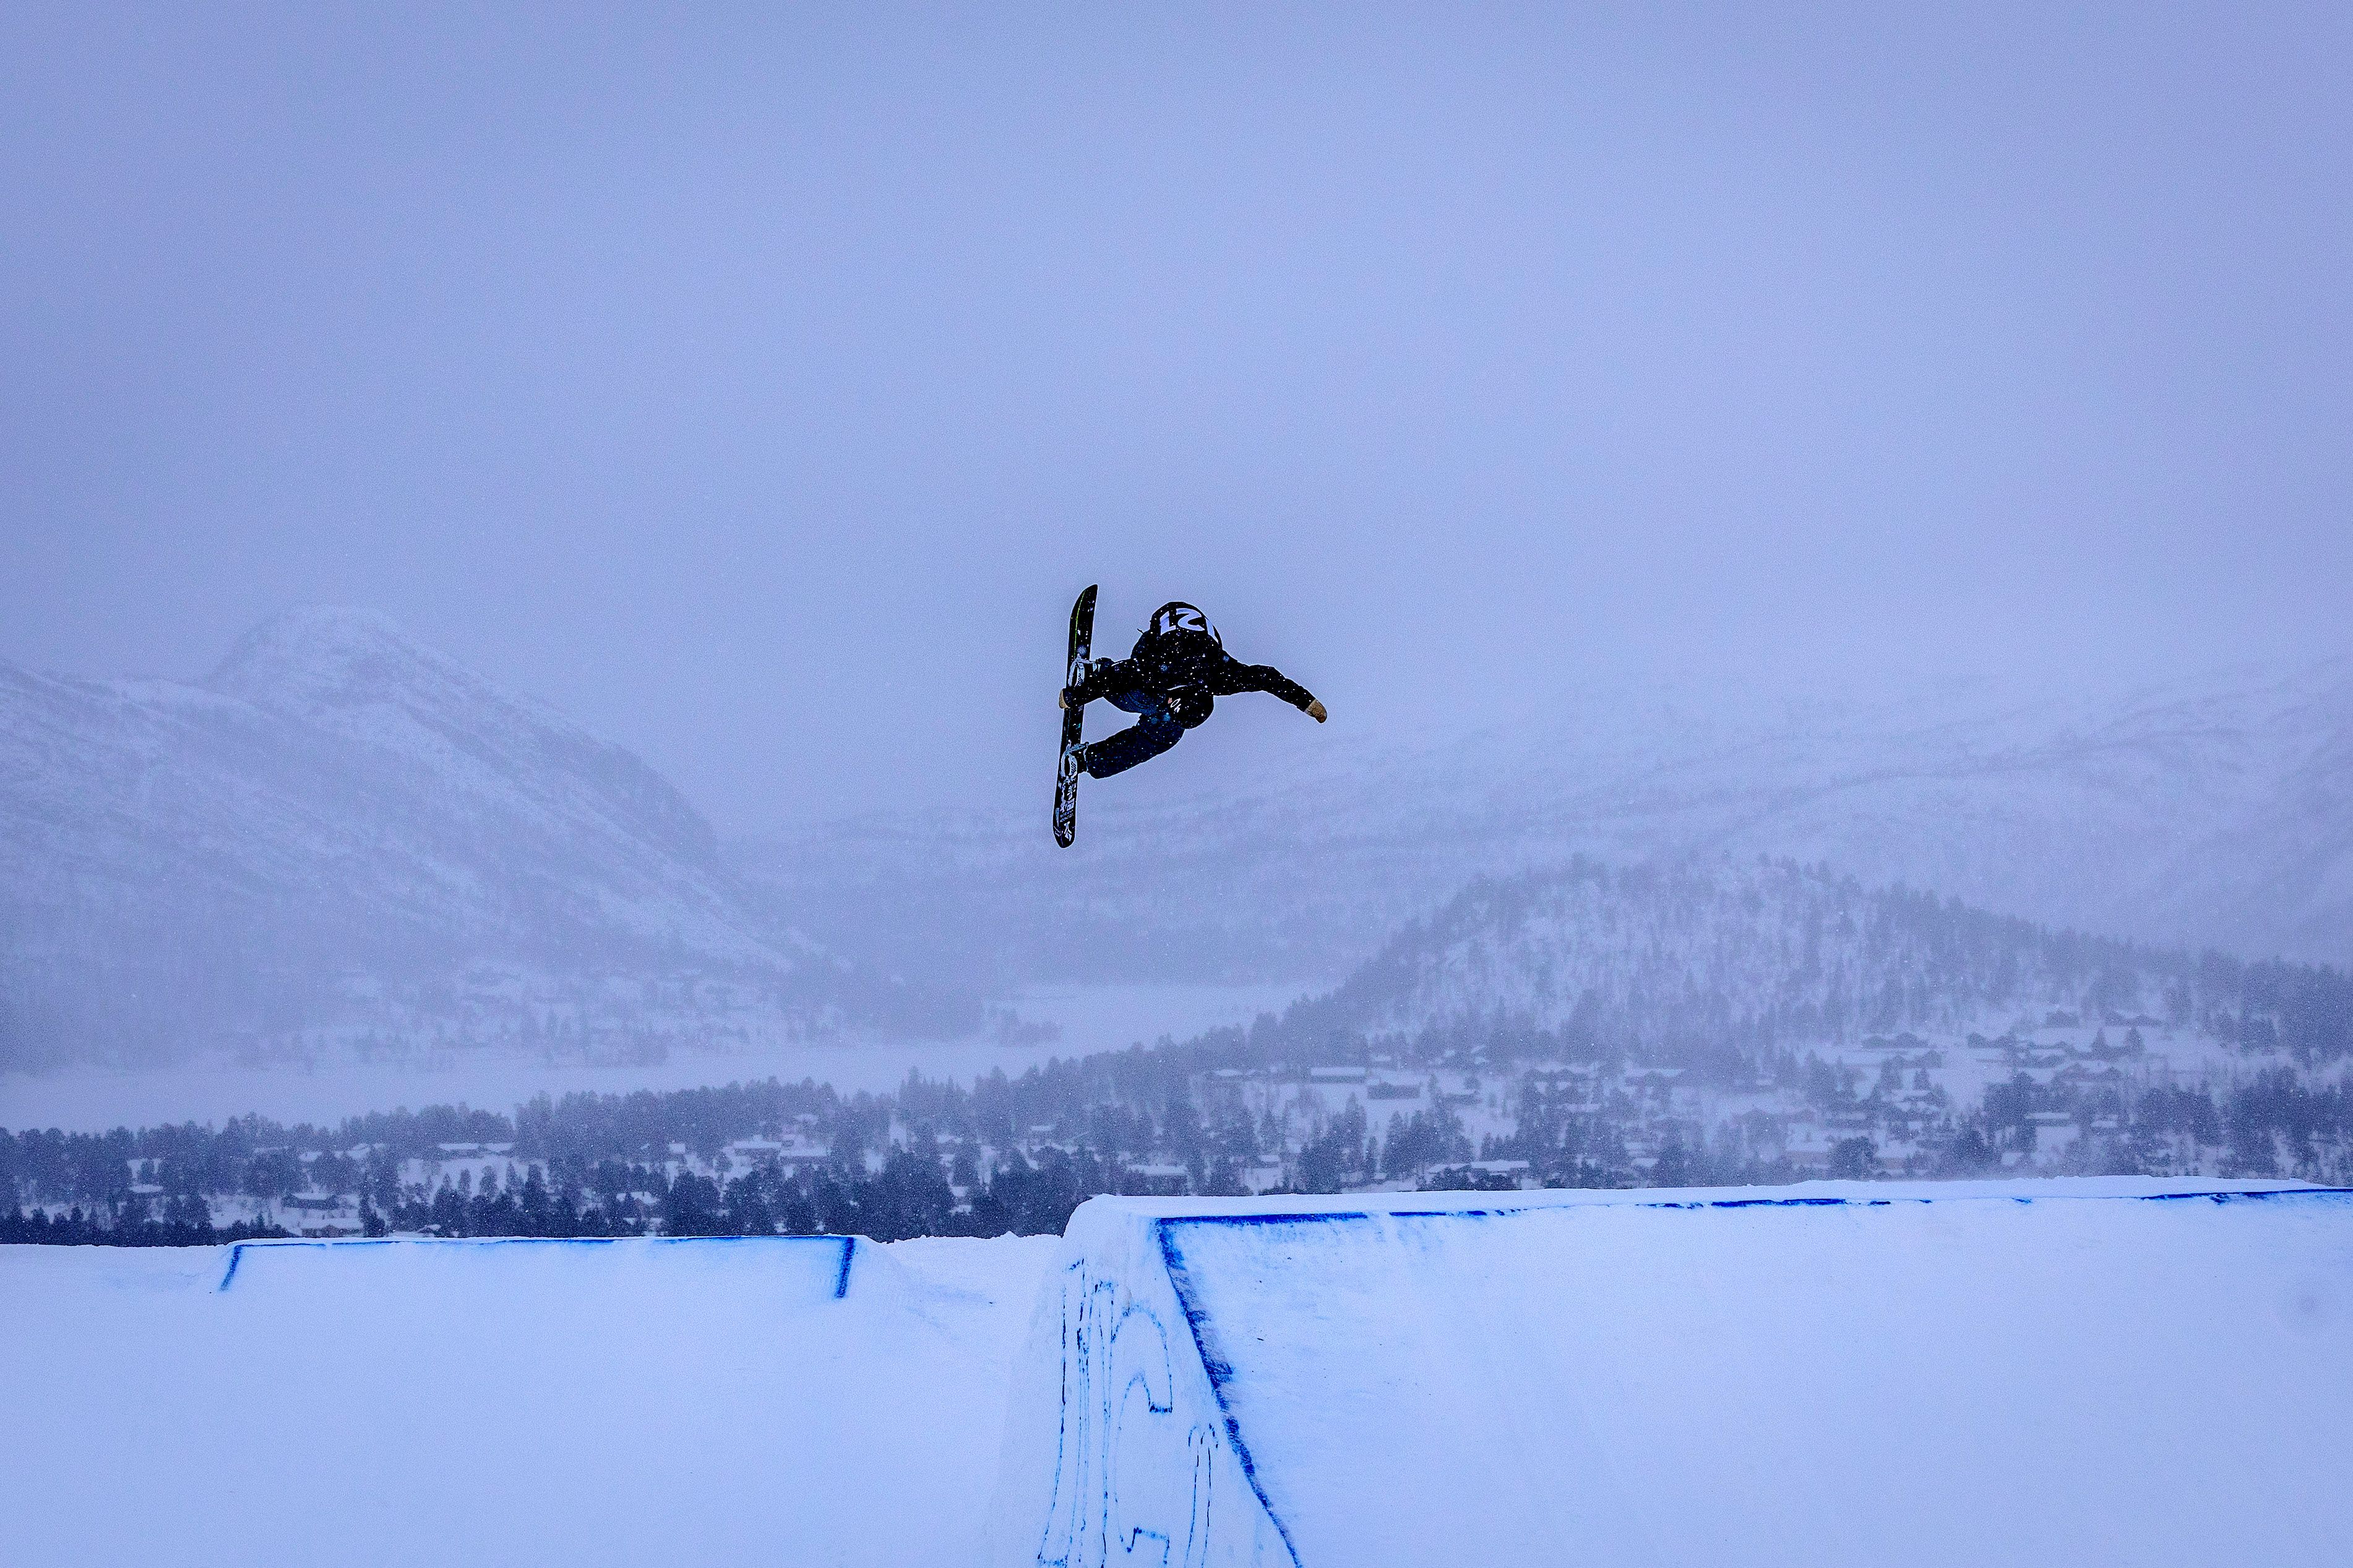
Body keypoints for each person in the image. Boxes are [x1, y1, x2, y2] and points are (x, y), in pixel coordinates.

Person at [1059, 601, 1326, 779]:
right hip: (1160, 641)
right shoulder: (1159, 664)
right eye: (1173, 704)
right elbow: (1127, 671)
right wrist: (1077, 694)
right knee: (1143, 698)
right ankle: (1098, 669)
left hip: (1197, 653)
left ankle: (1087, 760)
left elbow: (1267, 678)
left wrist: (1307, 703)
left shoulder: (1223, 678)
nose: (1168, 707)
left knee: (1166, 733)